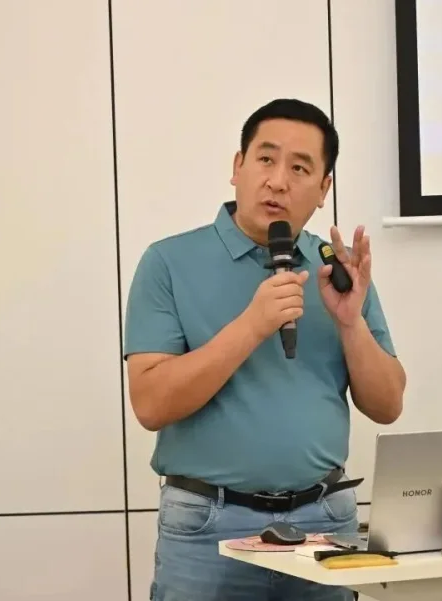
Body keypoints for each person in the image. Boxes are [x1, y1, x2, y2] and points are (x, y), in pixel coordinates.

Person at [123, 98, 406, 601]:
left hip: (324, 519)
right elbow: (150, 404)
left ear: (324, 189)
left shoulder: (336, 269)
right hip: (207, 525)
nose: (278, 181)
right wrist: (252, 326)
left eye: (300, 168)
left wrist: (350, 323)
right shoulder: (168, 261)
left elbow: (387, 404)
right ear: (238, 167)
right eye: (266, 159)